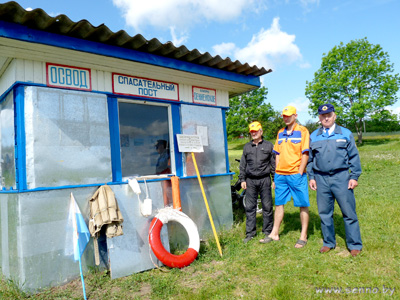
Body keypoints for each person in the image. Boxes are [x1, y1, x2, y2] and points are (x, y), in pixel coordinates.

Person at [307, 103, 362, 257]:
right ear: (319, 117)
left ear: (334, 116)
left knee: (348, 212)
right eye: (323, 116)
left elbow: (354, 157)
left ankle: (354, 244)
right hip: (321, 178)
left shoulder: (345, 133)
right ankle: (328, 242)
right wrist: (311, 177)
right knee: (324, 213)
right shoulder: (314, 136)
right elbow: (310, 160)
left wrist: (354, 176)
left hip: (342, 178)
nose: (326, 118)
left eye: (329, 115)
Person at [267, 106, 310, 248]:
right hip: (281, 175)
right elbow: (277, 154)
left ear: (295, 116)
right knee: (279, 203)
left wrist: (300, 172)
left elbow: (305, 154)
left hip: (296, 175)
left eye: (289, 115)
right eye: (284, 115)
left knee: (302, 204)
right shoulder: (280, 133)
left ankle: (303, 235)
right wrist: (276, 174)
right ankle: (274, 233)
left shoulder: (303, 131)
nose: (286, 118)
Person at [239, 121, 275, 243]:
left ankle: (267, 232)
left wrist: (274, 179)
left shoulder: (269, 146)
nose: (253, 133)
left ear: (261, 131)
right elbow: (242, 165)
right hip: (250, 181)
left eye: (255, 131)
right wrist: (242, 179)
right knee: (250, 207)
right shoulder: (247, 147)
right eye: (251, 132)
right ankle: (250, 234)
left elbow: (273, 164)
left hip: (265, 179)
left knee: (267, 206)